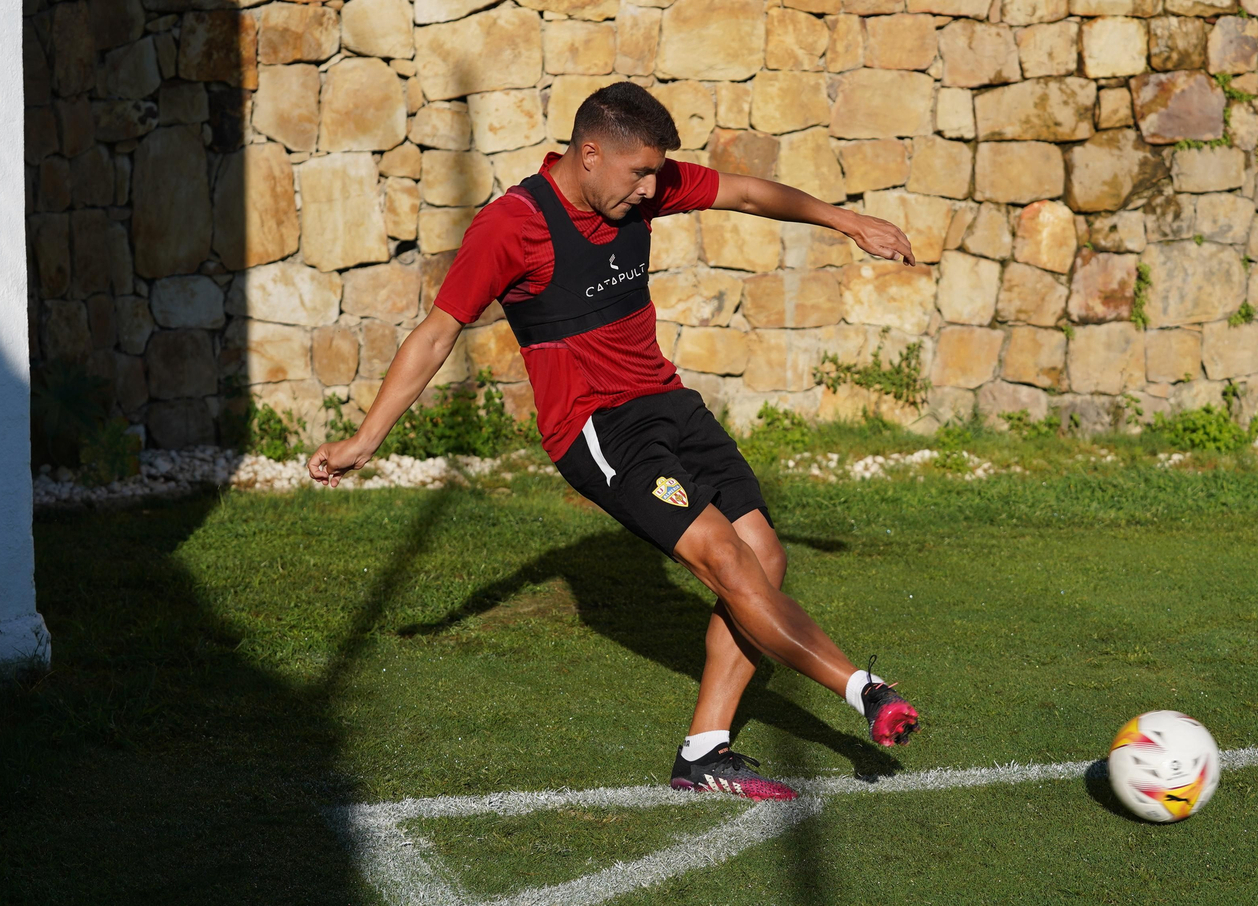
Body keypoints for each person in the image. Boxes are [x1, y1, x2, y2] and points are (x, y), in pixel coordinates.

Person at [308, 82, 921, 801]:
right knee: (726, 559)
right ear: (590, 154)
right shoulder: (513, 226)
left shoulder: (641, 187)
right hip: (597, 426)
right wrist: (364, 438)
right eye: (639, 173)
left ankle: (704, 752)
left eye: (657, 173)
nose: (652, 188)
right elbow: (438, 331)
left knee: (766, 556)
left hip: (668, 403)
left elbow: (749, 194)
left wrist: (847, 222)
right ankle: (866, 691)